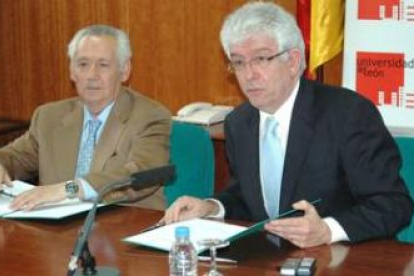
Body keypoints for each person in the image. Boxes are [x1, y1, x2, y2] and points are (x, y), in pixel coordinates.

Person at [163, 2, 413, 248]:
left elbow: (393, 204)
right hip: (271, 260)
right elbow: (246, 197)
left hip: (344, 259)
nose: (249, 74)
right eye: (239, 62)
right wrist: (212, 207)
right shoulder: (239, 123)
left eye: (261, 59)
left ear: (293, 61)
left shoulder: (348, 114)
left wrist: (328, 230)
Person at [0, 24, 171, 211]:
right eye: (83, 64)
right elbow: (15, 158)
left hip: (122, 228)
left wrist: (70, 189)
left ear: (124, 70)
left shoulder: (149, 115)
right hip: (55, 232)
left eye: (103, 65)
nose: (92, 75)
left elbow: (144, 174)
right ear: (72, 72)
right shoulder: (49, 117)